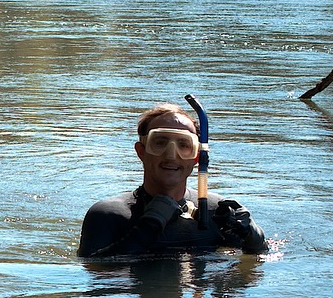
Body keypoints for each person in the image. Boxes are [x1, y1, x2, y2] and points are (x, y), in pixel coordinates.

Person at [77, 102, 269, 258]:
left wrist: (255, 240)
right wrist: (148, 226)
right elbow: (95, 271)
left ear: (197, 157)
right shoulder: (109, 215)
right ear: (141, 152)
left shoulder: (215, 213)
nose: (171, 155)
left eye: (184, 145)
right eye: (160, 143)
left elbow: (253, 273)